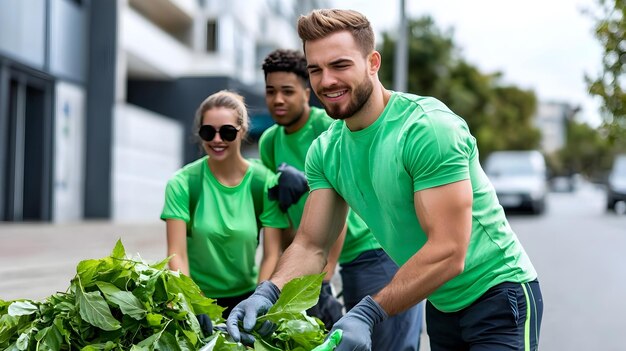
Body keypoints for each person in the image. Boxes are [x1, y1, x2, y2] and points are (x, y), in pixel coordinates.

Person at [227, 9, 544, 351]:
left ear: (373, 62)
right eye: (315, 69)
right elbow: (311, 244)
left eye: (340, 65)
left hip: (499, 293)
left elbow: (450, 251)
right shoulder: (326, 150)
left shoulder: (427, 129)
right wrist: (268, 292)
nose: (326, 80)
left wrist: (367, 312)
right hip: (442, 304)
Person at [259, 48, 423, 349]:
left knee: (387, 343)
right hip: (323, 257)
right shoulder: (269, 142)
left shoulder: (329, 127)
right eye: (270, 91)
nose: (278, 100)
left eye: (287, 91)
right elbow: (282, 215)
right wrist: (278, 283)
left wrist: (324, 276)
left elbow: (339, 204)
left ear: (306, 91)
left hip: (373, 251)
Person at [160, 90, 289, 316]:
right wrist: (195, 304)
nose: (217, 140)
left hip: (248, 297)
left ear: (243, 131)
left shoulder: (264, 182)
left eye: (228, 132)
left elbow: (271, 254)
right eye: (208, 132)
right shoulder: (182, 183)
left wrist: (260, 300)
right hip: (197, 296)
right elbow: (176, 254)